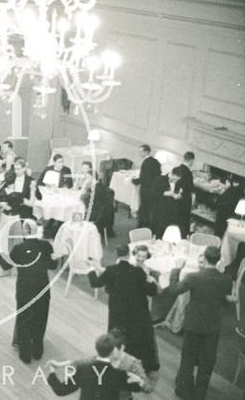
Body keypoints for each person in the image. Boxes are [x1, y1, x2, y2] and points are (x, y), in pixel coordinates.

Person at [169, 246, 233, 399]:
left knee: (188, 360)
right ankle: (200, 394)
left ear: (204, 258)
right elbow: (225, 302)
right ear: (218, 261)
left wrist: (176, 270)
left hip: (193, 325)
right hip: (212, 327)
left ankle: (184, 391)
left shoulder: (194, 277)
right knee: (207, 363)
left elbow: (174, 290)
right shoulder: (227, 279)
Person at [87, 244, 160, 372]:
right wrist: (151, 281)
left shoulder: (111, 270)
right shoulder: (138, 271)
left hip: (118, 311)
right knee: (136, 336)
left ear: (116, 253)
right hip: (138, 311)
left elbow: (95, 283)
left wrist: (91, 270)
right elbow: (152, 292)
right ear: (130, 254)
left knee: (118, 336)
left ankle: (117, 363)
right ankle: (136, 365)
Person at [0, 220, 57, 363]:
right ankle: (38, 350)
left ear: (24, 232)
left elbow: (5, 266)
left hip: (24, 289)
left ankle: (25, 354)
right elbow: (53, 265)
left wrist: (0, 253)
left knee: (24, 320)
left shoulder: (19, 248)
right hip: (42, 289)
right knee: (40, 319)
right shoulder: (46, 246)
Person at [46, 333, 144, 399]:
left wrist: (52, 372)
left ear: (97, 348)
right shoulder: (119, 374)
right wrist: (139, 380)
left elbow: (60, 390)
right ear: (112, 351)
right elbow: (137, 388)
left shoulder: (83, 370)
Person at [108, 327, 152, 399]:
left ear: (122, 348)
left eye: (111, 351)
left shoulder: (132, 363)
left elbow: (147, 389)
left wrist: (140, 381)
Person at [132, 145, 161, 228]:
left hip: (146, 189)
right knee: (149, 208)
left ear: (146, 152)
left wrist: (134, 181)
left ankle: (143, 226)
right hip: (153, 188)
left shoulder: (146, 163)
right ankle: (149, 226)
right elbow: (158, 175)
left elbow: (143, 178)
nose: (139, 154)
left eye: (140, 152)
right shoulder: (156, 161)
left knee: (144, 208)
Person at [151, 167, 183, 239]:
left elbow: (180, 192)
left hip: (172, 213)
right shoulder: (159, 179)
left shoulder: (178, 182)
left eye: (177, 180)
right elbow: (153, 194)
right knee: (159, 233)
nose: (175, 182)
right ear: (171, 174)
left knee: (170, 234)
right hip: (160, 211)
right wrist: (165, 193)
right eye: (174, 179)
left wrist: (179, 196)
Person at [176, 152, 195, 239]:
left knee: (179, 218)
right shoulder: (187, 172)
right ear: (191, 160)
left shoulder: (178, 168)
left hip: (178, 198)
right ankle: (183, 236)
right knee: (184, 219)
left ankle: (179, 235)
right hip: (185, 199)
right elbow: (189, 187)